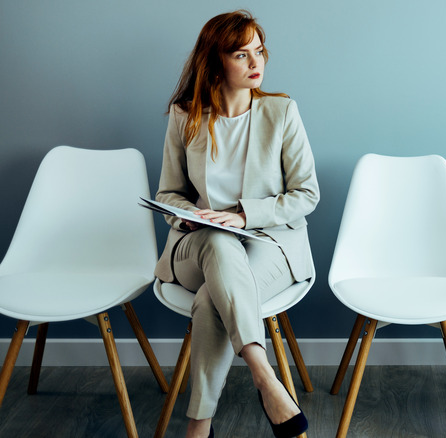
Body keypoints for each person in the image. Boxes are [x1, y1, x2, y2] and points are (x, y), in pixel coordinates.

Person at [154, 10, 319, 438]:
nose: (255, 63)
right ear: (215, 61)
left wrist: (244, 215)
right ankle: (265, 377)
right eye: (241, 54)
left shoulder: (281, 113)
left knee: (213, 299)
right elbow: (168, 193)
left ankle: (199, 424)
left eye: (259, 51)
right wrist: (190, 216)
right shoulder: (183, 115)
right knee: (218, 244)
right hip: (196, 244)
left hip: (268, 243)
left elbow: (306, 194)